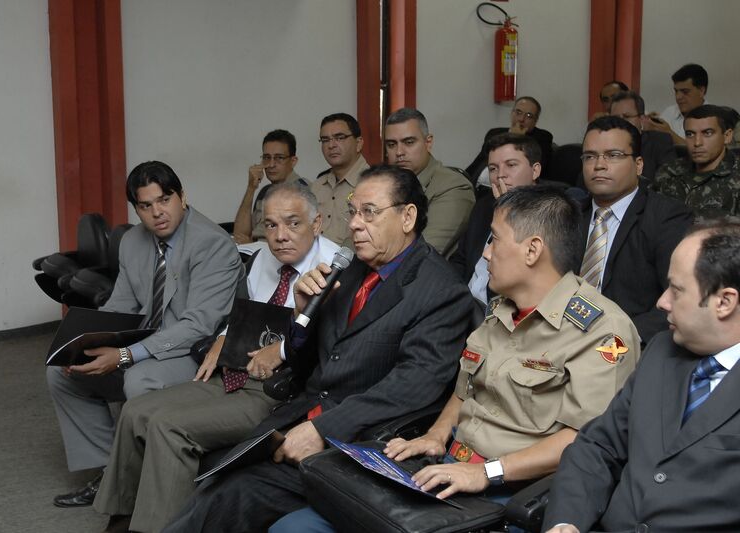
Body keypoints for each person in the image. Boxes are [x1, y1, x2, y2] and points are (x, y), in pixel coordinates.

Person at [272, 185, 641, 532]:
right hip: (448, 468)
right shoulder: (502, 309)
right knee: (293, 527)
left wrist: (487, 472)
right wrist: (436, 434)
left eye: (494, 239)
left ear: (532, 250)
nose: (485, 253)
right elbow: (465, 390)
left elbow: (586, 442)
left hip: (509, 491)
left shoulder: (602, 331)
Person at [163, 164, 476, 533]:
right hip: (301, 411)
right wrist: (302, 316)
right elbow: (311, 361)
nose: (355, 224)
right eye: (352, 211)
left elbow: (411, 387)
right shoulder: (352, 267)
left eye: (369, 213)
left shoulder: (440, 290)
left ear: (407, 217)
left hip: (358, 440)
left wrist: (323, 428)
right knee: (216, 477)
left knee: (235, 493)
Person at [93, 183, 339, 533]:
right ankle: (121, 516)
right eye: (271, 225)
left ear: (316, 223)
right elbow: (245, 314)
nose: (280, 235)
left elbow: (332, 347)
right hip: (236, 370)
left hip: (280, 390)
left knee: (167, 426)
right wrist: (223, 336)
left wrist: (282, 349)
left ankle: (160, 529)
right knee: (135, 411)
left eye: (293, 223)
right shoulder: (263, 259)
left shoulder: (334, 270)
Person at [47, 161, 243, 508]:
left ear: (182, 197)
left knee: (140, 380)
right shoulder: (133, 241)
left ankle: (141, 482)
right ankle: (111, 472)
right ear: (136, 209)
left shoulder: (212, 244)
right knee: (63, 375)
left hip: (198, 351)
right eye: (146, 205)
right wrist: (84, 344)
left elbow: (198, 326)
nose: (157, 213)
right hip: (147, 340)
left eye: (164, 200)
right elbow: (120, 304)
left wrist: (125, 355)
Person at [544, 220, 740, 533]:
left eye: (676, 290)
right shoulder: (662, 352)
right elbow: (599, 447)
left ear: (724, 302)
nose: (662, 302)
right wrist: (566, 521)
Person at [579, 116, 692, 343]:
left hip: (629, 343)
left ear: (638, 165)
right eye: (590, 156)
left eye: (613, 155)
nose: (599, 165)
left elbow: (680, 300)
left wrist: (612, 338)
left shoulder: (667, 218)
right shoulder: (568, 214)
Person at [449, 132, 541, 305]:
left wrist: (508, 212)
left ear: (535, 171)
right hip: (464, 303)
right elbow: (460, 260)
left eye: (511, 165)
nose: (500, 175)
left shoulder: (548, 215)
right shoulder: (484, 206)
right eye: (493, 168)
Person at [384, 107, 475, 256]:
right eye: (391, 145)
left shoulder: (454, 186)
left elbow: (422, 253)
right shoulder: (385, 184)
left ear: (428, 142)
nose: (399, 152)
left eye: (409, 142)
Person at [652, 104, 740, 218]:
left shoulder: (736, 176)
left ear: (727, 136)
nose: (697, 142)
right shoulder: (669, 171)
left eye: (707, 133)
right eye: (690, 134)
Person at [232, 129, 306, 244]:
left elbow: (293, 242)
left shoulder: (302, 191)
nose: (271, 164)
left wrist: (250, 244)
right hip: (252, 251)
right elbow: (239, 235)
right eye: (267, 158)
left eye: (279, 158)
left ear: (293, 161)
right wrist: (251, 188)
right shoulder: (265, 191)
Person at [311, 113, 370, 247]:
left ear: (358, 143)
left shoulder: (373, 183)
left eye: (339, 138)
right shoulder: (317, 186)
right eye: (325, 140)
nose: (331, 145)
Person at [466, 96, 554, 185]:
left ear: (535, 121)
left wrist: (516, 137)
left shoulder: (542, 137)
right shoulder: (494, 133)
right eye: (518, 112)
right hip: (478, 184)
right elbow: (479, 162)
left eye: (529, 116)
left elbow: (538, 168)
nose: (521, 119)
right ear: (512, 113)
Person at [608, 90, 677, 180]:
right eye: (615, 118)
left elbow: (667, 182)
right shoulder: (602, 145)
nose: (620, 123)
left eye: (626, 117)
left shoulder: (660, 142)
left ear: (641, 119)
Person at [645, 63, 708, 146]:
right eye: (676, 91)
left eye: (685, 92)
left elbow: (702, 150)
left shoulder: (713, 118)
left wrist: (669, 134)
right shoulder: (669, 112)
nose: (678, 97)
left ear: (701, 91)